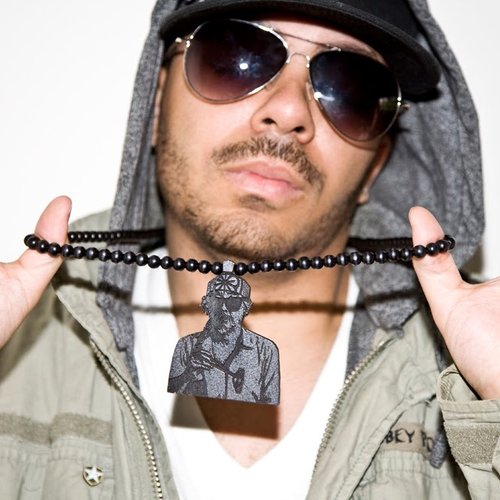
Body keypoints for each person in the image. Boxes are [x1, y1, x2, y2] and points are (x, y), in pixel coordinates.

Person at [0, 0, 499, 498]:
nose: (288, 110)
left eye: (351, 88)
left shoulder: (473, 363)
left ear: (375, 166)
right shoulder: (22, 345)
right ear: (155, 105)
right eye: (235, 58)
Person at [168, 263, 280, 404]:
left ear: (245, 308)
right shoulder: (186, 346)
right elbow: (169, 397)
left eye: (233, 302)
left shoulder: (265, 351)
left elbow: (270, 403)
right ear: (207, 304)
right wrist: (187, 375)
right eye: (217, 300)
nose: (224, 308)